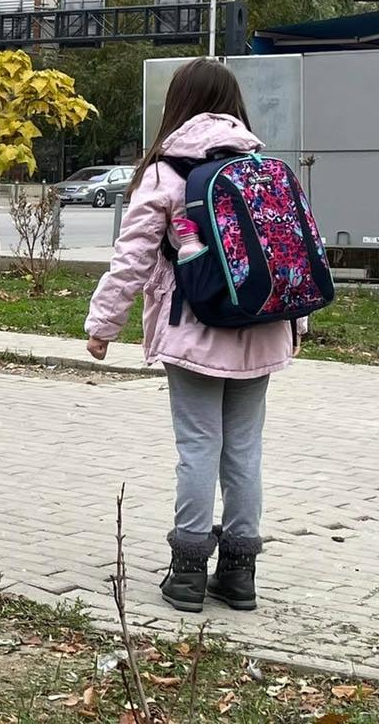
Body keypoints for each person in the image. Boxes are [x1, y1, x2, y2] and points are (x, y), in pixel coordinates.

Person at [85, 58, 299, 615]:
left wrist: (103, 325)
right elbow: (287, 254)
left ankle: (186, 576)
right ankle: (239, 576)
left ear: (177, 104)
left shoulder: (165, 171)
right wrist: (296, 325)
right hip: (263, 330)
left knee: (198, 449)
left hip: (193, 332)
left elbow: (131, 256)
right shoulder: (260, 166)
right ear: (234, 104)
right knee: (245, 453)